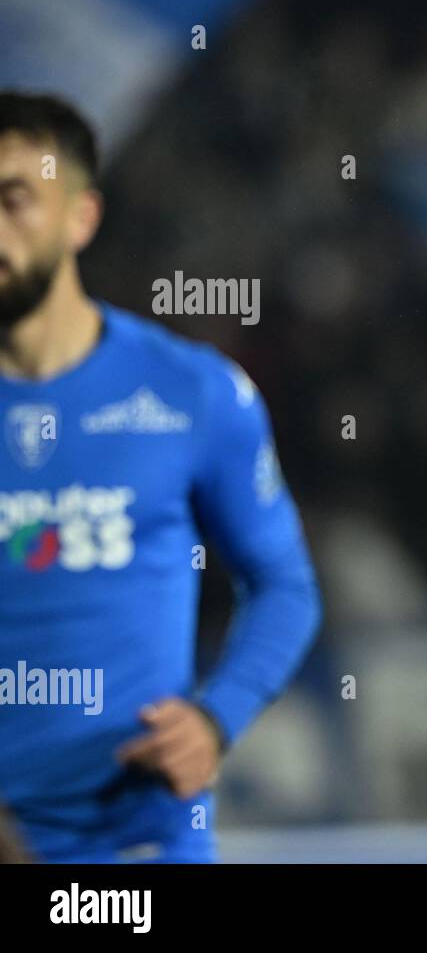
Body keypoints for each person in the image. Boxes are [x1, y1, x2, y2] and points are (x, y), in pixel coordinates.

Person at [0, 91, 321, 862]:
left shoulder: (191, 394)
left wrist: (218, 718)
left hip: (139, 844)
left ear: (82, 217)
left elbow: (285, 585)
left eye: (14, 201)